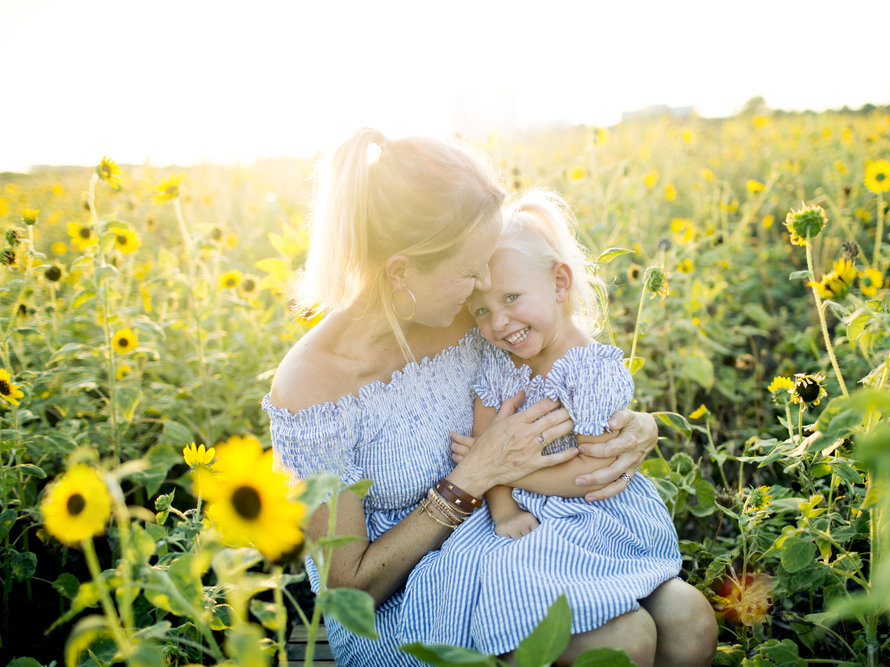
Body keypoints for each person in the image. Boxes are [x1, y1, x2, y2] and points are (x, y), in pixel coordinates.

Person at [264, 127, 714, 666]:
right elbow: (348, 592)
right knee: (625, 640)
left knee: (689, 619)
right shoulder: (312, 390)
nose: (483, 283)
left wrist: (638, 422)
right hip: (409, 595)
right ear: (401, 271)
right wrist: (473, 477)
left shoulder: (467, 310)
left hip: (519, 531)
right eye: (469, 270)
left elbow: (561, 362)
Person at [396, 189, 716, 666]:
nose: (498, 322)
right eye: (481, 310)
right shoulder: (500, 367)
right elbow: (485, 446)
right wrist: (502, 508)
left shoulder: (588, 370)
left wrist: (504, 470)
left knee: (692, 620)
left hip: (593, 513)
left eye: (511, 298)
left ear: (560, 283)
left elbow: (593, 472)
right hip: (518, 517)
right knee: (514, 570)